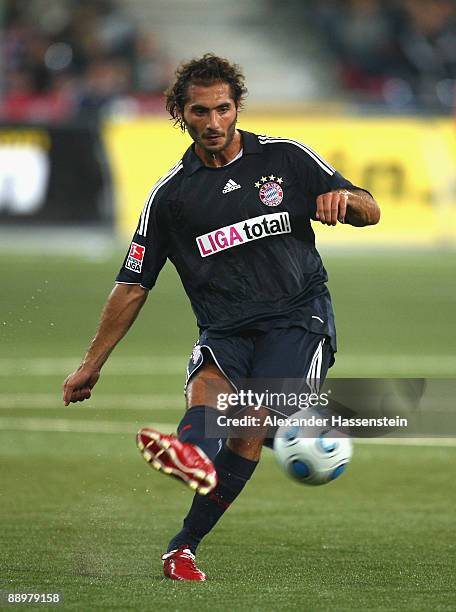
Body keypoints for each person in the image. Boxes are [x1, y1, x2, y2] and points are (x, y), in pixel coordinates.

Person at [62, 53, 380, 582]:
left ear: (237, 108)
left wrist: (346, 199)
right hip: (224, 327)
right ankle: (189, 466)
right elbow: (134, 283)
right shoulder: (171, 197)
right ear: (180, 114)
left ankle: (189, 528)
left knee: (250, 425)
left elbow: (370, 208)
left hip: (296, 318)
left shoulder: (286, 159)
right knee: (209, 394)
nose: (213, 123)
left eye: (223, 109)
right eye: (200, 112)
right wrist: (91, 363)